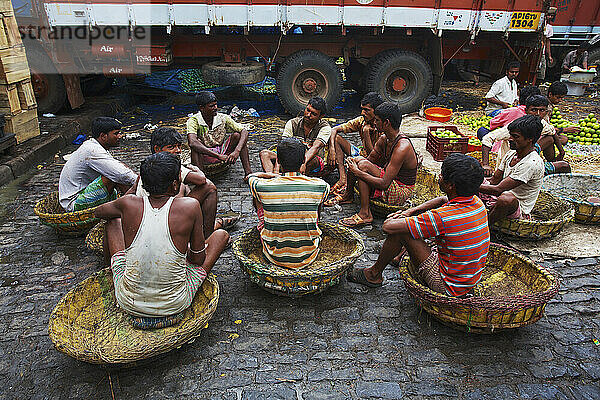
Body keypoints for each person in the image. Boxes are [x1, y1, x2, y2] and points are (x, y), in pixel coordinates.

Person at [95, 152, 229, 320]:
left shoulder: (128, 203)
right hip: (175, 303)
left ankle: (112, 273)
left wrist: (127, 199)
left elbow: (99, 212)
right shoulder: (190, 206)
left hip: (128, 301)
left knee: (113, 221)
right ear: (175, 185)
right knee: (221, 236)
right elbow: (197, 260)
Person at [347, 153, 489, 296]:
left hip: (448, 286)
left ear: (451, 185)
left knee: (402, 231)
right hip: (469, 279)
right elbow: (442, 199)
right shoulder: (477, 203)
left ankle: (373, 274)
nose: (439, 177)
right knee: (411, 228)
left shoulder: (442, 217)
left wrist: (400, 218)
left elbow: (387, 227)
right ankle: (395, 258)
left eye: (441, 175)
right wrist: (411, 211)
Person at [134, 127, 238, 237]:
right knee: (209, 187)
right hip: (163, 218)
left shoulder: (148, 164)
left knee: (183, 186)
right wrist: (198, 170)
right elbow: (201, 180)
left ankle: (204, 227)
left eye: (178, 146)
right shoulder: (168, 164)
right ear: (157, 149)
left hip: (152, 216)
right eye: (171, 147)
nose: (178, 150)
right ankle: (207, 235)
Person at [332, 102, 419, 228]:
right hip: (389, 180)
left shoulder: (402, 147)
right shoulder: (384, 138)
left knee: (362, 167)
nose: (374, 123)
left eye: (377, 120)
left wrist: (358, 172)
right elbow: (370, 159)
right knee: (358, 161)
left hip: (401, 189)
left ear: (387, 123)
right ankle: (348, 195)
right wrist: (354, 164)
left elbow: (384, 183)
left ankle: (365, 213)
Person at [247, 137, 330, 269]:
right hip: (309, 254)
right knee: (315, 201)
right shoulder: (320, 185)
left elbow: (250, 177)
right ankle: (310, 224)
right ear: (304, 160)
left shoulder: (263, 186)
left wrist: (272, 176)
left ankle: (266, 221)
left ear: (278, 161)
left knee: (257, 196)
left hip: (273, 255)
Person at [58, 117, 137, 212]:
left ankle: (133, 203)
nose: (120, 136)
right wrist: (140, 182)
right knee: (114, 175)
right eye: (116, 133)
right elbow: (121, 174)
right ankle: (132, 206)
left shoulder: (95, 147)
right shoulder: (92, 150)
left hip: (85, 192)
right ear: (103, 136)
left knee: (118, 171)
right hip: (74, 202)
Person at [479, 115, 545, 226]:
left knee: (506, 199)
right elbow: (494, 179)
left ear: (530, 139)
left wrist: (467, 184)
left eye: (515, 136)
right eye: (511, 135)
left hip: (517, 208)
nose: (510, 139)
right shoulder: (511, 154)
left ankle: (485, 227)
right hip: (498, 196)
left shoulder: (531, 163)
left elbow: (498, 189)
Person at [481, 95, 569, 176]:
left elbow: (552, 132)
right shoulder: (517, 127)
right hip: (513, 166)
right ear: (526, 110)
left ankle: (552, 162)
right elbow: (487, 138)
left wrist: (561, 152)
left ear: (546, 111)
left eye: (542, 110)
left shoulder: (542, 123)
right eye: (534, 110)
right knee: (564, 165)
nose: (538, 114)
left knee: (550, 138)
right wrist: (486, 165)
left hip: (529, 160)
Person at [327, 92, 385, 194]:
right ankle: (342, 178)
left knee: (358, 164)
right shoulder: (362, 121)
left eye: (366, 110)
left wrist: (366, 134)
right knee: (336, 139)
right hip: (362, 153)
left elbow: (373, 157)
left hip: (374, 162)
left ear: (376, 111)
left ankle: (349, 191)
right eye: (362, 109)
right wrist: (332, 150)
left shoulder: (383, 127)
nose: (362, 113)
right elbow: (334, 129)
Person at [259, 97, 331, 176]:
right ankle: (271, 178)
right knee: (264, 154)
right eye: (308, 110)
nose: (308, 115)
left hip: (312, 159)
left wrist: (304, 163)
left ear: (321, 116)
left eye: (313, 114)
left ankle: (301, 183)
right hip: (291, 156)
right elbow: (283, 146)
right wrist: (277, 167)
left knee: (310, 162)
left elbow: (315, 147)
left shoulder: (325, 127)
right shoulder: (292, 123)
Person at [187, 91, 252, 177]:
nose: (215, 108)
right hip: (205, 153)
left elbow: (244, 131)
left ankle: (248, 173)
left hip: (221, 151)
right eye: (211, 106)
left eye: (215, 105)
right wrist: (217, 156)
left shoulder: (222, 118)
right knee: (195, 144)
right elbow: (192, 142)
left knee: (238, 136)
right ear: (202, 108)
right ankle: (201, 177)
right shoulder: (194, 120)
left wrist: (237, 151)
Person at [538, 17, 554, 82]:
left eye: (551, 15)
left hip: (542, 53)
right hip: (536, 51)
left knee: (541, 71)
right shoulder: (538, 24)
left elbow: (548, 42)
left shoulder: (549, 27)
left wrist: (549, 56)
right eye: (549, 15)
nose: (549, 17)